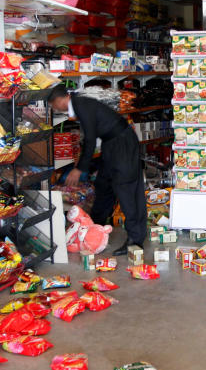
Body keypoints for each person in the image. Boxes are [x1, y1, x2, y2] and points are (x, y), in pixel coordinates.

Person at [48, 86, 146, 255]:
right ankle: (94, 229)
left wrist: (79, 169)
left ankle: (135, 240)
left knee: (126, 188)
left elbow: (90, 141)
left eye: (53, 105)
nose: (54, 109)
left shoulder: (81, 105)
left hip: (121, 143)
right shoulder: (79, 104)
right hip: (111, 144)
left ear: (59, 100)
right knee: (104, 185)